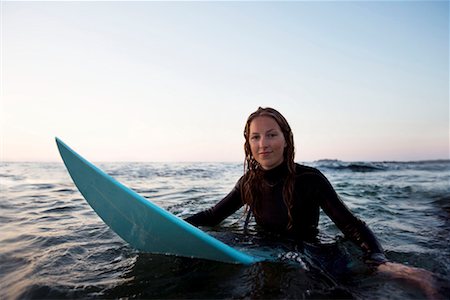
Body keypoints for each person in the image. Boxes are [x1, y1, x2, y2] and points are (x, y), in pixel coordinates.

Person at [185, 107, 441, 299]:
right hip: (266, 249)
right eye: (255, 137)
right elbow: (212, 216)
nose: (263, 144)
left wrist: (379, 259)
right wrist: (171, 223)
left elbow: (351, 225)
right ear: (248, 144)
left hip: (310, 253)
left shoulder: (310, 179)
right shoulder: (248, 183)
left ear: (286, 139)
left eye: (271, 135)